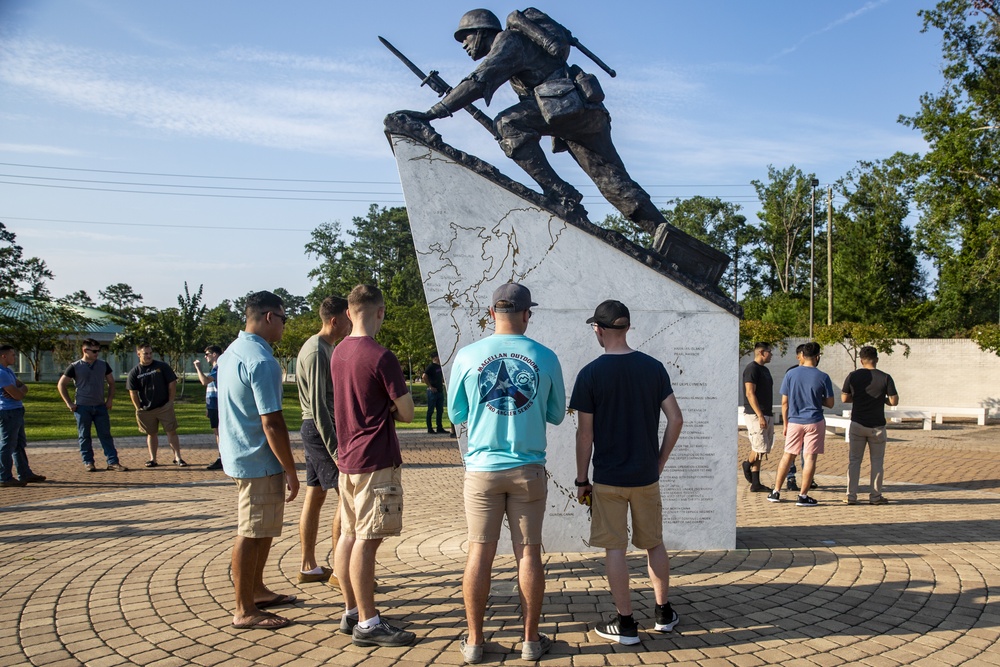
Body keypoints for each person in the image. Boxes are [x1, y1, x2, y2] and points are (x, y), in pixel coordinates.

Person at [400, 9, 725, 284]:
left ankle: (562, 192)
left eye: (466, 37)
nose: (464, 45)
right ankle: (678, 249)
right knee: (614, 184)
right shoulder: (518, 42)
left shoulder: (508, 41)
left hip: (569, 111)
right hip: (582, 111)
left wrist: (433, 113)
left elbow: (480, 80)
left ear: (483, 31)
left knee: (507, 124)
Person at [447, 282, 565, 663]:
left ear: (491, 312)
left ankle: (475, 642)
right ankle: (531, 641)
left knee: (479, 553)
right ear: (527, 314)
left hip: (481, 469)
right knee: (528, 553)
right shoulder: (545, 357)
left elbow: (457, 415)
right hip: (528, 469)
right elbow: (556, 414)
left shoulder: (467, 356)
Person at [570, 300, 682, 645]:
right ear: (628, 327)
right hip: (646, 476)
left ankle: (626, 622)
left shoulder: (590, 374)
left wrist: (581, 479)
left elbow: (585, 434)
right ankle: (663, 613)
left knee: (615, 549)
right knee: (654, 544)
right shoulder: (653, 368)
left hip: (607, 479)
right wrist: (659, 462)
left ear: (598, 330)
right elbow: (676, 419)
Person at [331, 284, 417, 648]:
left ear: (349, 313)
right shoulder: (383, 357)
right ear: (380, 312)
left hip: (348, 458)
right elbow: (410, 412)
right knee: (368, 540)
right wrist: (392, 408)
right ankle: (369, 622)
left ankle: (352, 611)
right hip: (375, 459)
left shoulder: (338, 352)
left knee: (349, 535)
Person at [218, 290, 300, 630]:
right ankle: (244, 609)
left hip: (238, 454)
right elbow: (272, 421)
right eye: (283, 319)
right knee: (251, 531)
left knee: (262, 527)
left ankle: (256, 589)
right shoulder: (263, 361)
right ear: (269, 317)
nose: (283, 326)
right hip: (258, 459)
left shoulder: (230, 353)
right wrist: (291, 469)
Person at [295, 296, 351, 587]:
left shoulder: (323, 347)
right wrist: (336, 450)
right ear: (334, 320)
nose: (351, 321)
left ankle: (309, 566)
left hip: (313, 429)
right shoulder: (318, 351)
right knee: (346, 495)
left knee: (315, 496)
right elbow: (319, 406)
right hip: (320, 430)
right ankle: (342, 573)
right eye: (347, 316)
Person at [769, 341, 834, 506]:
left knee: (788, 455)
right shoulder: (823, 377)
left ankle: (776, 491)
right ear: (818, 356)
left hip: (794, 421)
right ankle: (803, 496)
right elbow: (830, 403)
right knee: (810, 457)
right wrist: (815, 397)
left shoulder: (791, 374)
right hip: (814, 420)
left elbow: (784, 402)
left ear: (802, 356)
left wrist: (785, 423)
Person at [57, 339, 127, 472]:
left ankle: (113, 461)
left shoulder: (103, 365)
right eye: (94, 351)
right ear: (85, 350)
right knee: (84, 435)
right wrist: (69, 403)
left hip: (100, 406)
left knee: (105, 435)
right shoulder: (75, 366)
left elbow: (111, 382)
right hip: (82, 407)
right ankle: (88, 462)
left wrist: (109, 399)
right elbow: (61, 384)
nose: (97, 354)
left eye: (98, 351)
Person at [841, 346, 899, 505]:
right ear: (877, 359)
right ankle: (875, 496)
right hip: (877, 426)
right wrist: (882, 399)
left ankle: (851, 496)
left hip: (858, 423)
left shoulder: (853, 376)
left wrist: (858, 399)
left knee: (854, 461)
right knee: (877, 461)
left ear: (861, 360)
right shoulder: (885, 377)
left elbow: (844, 398)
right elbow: (894, 401)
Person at [127, 344, 186, 467]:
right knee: (151, 433)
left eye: (150, 353)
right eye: (145, 354)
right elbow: (133, 392)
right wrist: (138, 408)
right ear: (139, 354)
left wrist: (170, 401)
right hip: (147, 409)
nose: (149, 356)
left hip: (164, 406)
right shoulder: (134, 372)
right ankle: (153, 459)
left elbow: (172, 383)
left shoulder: (161, 366)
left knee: (171, 431)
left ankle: (178, 457)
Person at [0, 345, 44, 487]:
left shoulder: (8, 371)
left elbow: (23, 387)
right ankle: (4, 477)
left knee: (19, 444)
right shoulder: (1, 373)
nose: (15, 357)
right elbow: (18, 394)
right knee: (8, 444)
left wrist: (20, 390)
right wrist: (19, 391)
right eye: (12, 354)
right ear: (3, 356)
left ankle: (25, 473)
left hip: (16, 410)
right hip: (8, 412)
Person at [742, 342, 774, 493]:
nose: (771, 355)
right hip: (755, 414)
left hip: (766, 413)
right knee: (759, 447)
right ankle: (747, 464)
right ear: (762, 352)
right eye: (769, 352)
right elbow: (750, 393)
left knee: (762, 448)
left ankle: (756, 483)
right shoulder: (752, 369)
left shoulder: (765, 370)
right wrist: (760, 415)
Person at [194, 345, 224, 470]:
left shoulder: (219, 368)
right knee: (217, 432)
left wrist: (198, 368)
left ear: (215, 354)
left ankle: (222, 458)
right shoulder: (214, 368)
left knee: (220, 433)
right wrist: (208, 407)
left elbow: (204, 381)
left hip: (218, 405)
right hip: (212, 405)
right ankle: (222, 456)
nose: (205, 356)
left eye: (207, 354)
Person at [422, 351, 447, 435]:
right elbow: (424, 376)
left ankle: (439, 427)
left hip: (440, 391)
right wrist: (430, 386)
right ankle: (430, 428)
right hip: (432, 392)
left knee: (440, 410)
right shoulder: (431, 366)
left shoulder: (439, 367)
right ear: (435, 358)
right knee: (431, 410)